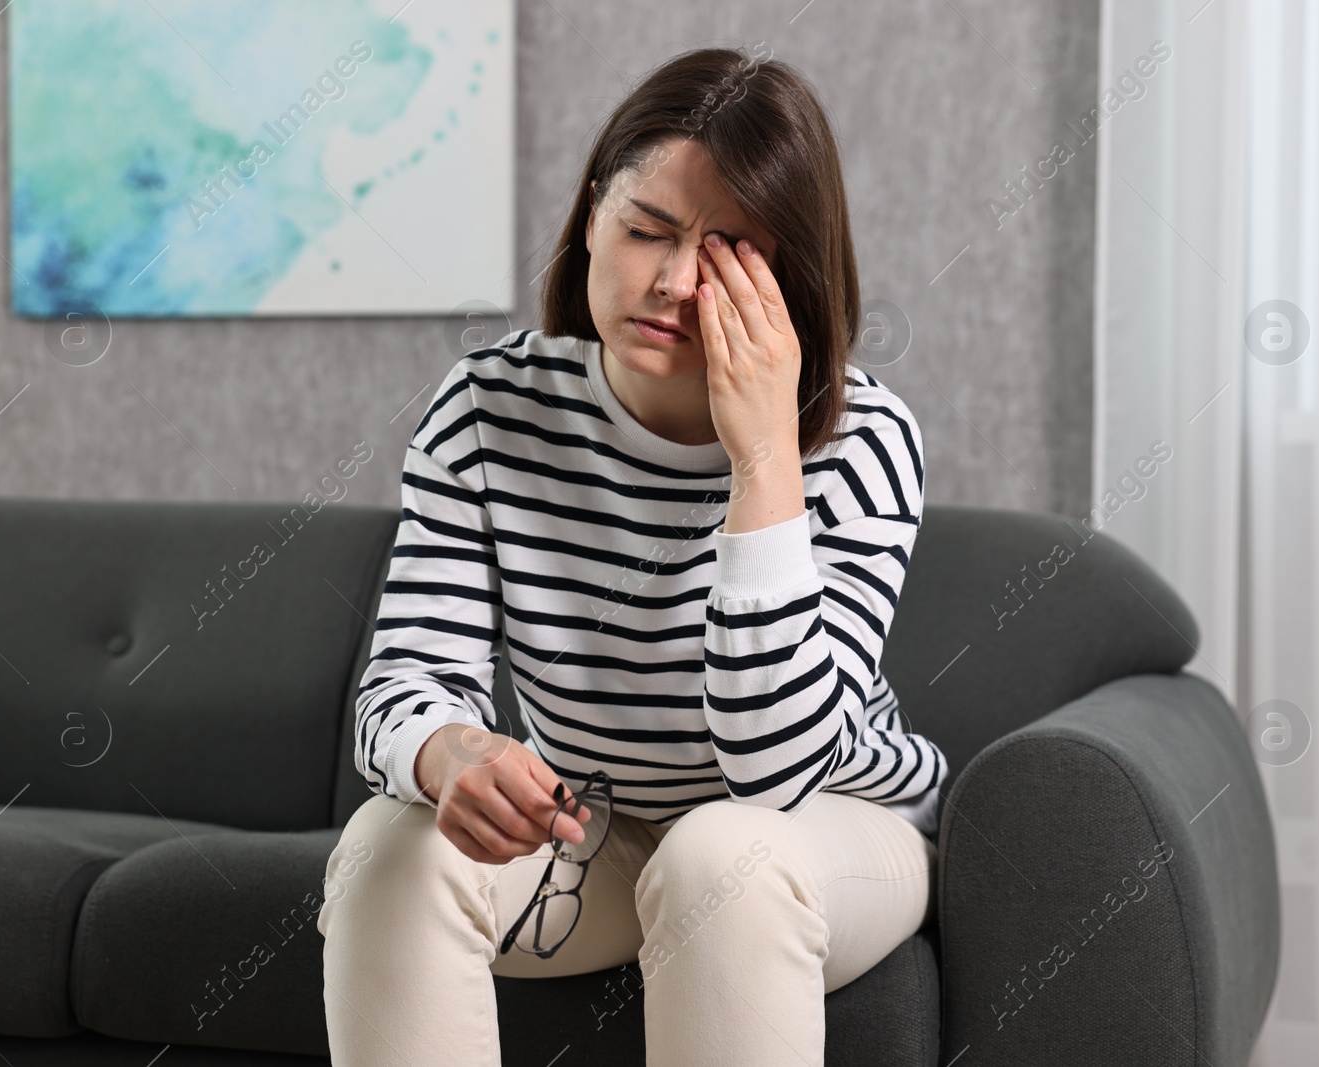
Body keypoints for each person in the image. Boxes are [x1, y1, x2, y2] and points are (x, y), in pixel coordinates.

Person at [317, 45, 947, 1067]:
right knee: (394, 843)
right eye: (645, 229)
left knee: (722, 855)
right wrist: (451, 754)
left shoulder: (862, 439)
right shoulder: (489, 409)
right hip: (599, 823)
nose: (671, 281)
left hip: (826, 825)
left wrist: (761, 461)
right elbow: (406, 682)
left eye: (728, 251)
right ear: (590, 221)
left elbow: (776, 767)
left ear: (788, 277)